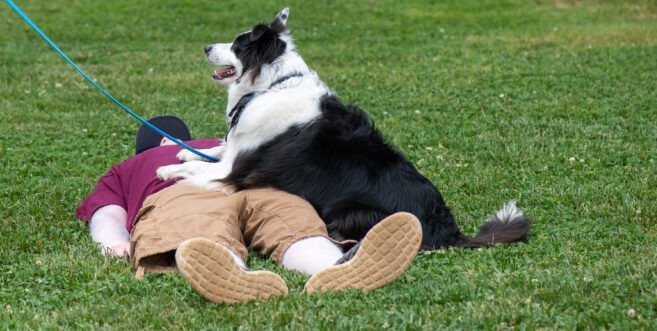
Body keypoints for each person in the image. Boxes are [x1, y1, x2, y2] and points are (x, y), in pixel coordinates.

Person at [77, 116, 423, 304]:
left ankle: (231, 272)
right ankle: (331, 264)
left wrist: (112, 242)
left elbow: (106, 213)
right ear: (176, 139)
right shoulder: (223, 142)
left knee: (197, 227)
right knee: (289, 219)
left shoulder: (129, 167)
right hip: (250, 181)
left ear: (151, 146)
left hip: (185, 190)